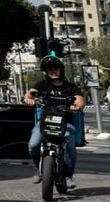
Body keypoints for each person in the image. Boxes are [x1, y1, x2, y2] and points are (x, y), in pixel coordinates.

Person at [24, 56, 86, 191]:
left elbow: (80, 100)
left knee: (70, 148)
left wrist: (77, 106)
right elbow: (30, 94)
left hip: (65, 124)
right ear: (46, 72)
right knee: (33, 144)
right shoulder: (41, 85)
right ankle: (38, 168)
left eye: (55, 68)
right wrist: (29, 99)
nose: (53, 71)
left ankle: (68, 176)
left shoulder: (70, 87)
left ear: (61, 70)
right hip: (45, 123)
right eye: (49, 69)